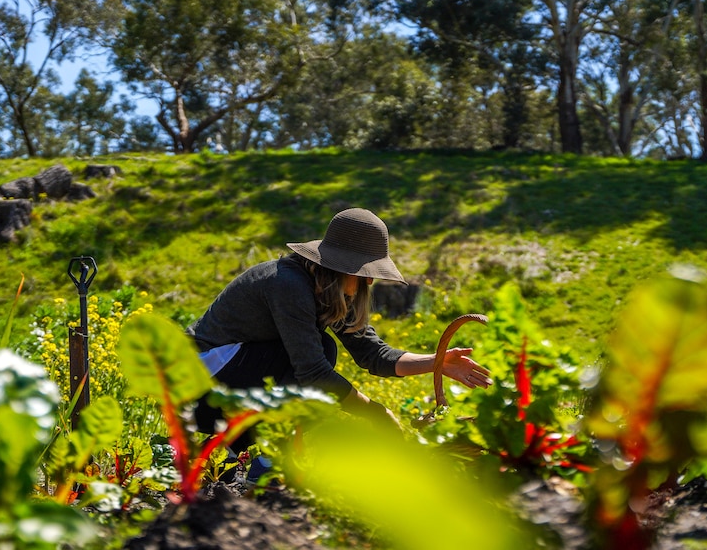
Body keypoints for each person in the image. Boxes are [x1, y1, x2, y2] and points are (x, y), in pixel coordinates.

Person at [186, 207, 492, 482]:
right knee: (320, 356)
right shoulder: (287, 284)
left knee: (320, 354)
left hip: (230, 379)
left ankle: (237, 456)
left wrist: (438, 362)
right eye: (365, 273)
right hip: (196, 386)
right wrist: (376, 413)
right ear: (343, 268)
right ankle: (268, 459)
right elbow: (313, 373)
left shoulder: (325, 290)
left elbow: (373, 354)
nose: (369, 282)